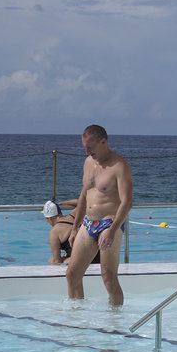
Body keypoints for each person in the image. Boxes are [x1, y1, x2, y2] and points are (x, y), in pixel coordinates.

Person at [66, 124, 133, 306]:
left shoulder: (119, 166)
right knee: (72, 274)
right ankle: (77, 315)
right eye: (85, 147)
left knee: (108, 277)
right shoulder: (88, 163)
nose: (87, 151)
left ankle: (115, 320)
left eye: (91, 146)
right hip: (88, 223)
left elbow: (127, 202)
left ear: (103, 142)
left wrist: (112, 230)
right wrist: (74, 228)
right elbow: (84, 196)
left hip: (109, 224)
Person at [42, 198, 96, 265]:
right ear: (59, 212)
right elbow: (82, 202)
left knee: (52, 260)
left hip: (83, 261)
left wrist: (63, 259)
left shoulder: (54, 232)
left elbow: (57, 262)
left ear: (49, 218)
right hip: (97, 255)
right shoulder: (74, 215)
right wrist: (64, 203)